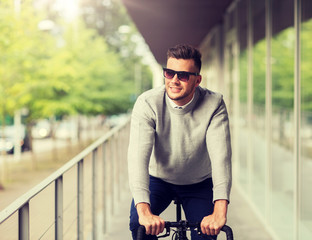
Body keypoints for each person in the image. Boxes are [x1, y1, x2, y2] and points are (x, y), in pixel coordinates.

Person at [128, 44, 232, 240]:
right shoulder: (147, 103)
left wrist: (220, 209)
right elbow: (137, 159)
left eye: (183, 75)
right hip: (158, 179)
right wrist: (144, 212)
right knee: (138, 225)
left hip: (199, 181)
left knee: (206, 235)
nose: (174, 80)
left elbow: (222, 158)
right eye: (169, 73)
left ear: (197, 80)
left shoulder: (214, 104)